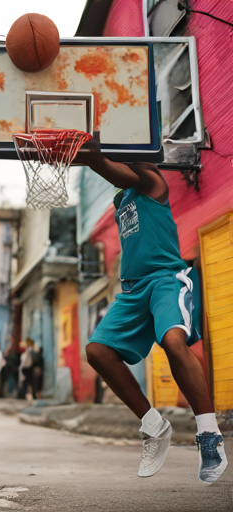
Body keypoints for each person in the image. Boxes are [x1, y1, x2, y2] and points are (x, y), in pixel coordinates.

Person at [76, 136, 227, 482]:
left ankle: (208, 433)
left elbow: (124, 175)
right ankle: (154, 426)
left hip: (166, 279)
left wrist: (92, 157)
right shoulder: (121, 197)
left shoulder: (153, 181)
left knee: (174, 342)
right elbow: (119, 178)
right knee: (97, 351)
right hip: (132, 289)